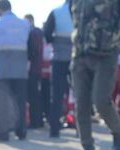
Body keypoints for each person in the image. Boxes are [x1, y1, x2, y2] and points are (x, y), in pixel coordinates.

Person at [70, 0, 120, 150]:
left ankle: (118, 131)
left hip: (106, 54)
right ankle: (87, 148)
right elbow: (75, 17)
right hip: (80, 54)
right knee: (81, 104)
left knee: (100, 100)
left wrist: (113, 36)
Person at [0, 1, 31, 142]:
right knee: (20, 101)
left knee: (1, 102)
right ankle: (21, 132)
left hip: (1, 69)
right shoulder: (24, 23)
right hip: (20, 69)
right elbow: (31, 45)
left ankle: (3, 134)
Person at [43, 0, 73, 138]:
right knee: (80, 95)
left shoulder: (55, 12)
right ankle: (81, 130)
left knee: (57, 95)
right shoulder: (82, 10)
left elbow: (47, 33)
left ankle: (54, 129)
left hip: (59, 57)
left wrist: (55, 41)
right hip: (77, 58)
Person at [25, 14, 45, 129]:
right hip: (37, 68)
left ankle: (35, 121)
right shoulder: (37, 33)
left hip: (33, 69)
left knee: (33, 96)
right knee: (36, 96)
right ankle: (38, 120)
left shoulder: (33, 33)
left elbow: (33, 52)